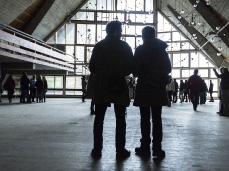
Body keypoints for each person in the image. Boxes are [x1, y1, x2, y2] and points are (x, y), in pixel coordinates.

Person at [89, 20, 133, 158]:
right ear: (115, 31)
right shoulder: (124, 46)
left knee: (99, 119)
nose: (122, 32)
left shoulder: (99, 46)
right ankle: (120, 150)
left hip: (102, 85)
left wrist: (103, 73)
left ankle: (97, 150)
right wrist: (118, 73)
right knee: (120, 119)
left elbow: (92, 67)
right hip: (118, 85)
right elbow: (130, 68)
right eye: (120, 30)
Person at [133, 25, 171, 158]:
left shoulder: (140, 50)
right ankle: (157, 148)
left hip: (144, 88)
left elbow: (135, 72)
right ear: (154, 35)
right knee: (157, 119)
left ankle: (145, 147)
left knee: (144, 119)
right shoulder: (162, 50)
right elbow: (168, 68)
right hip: (158, 88)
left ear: (143, 36)